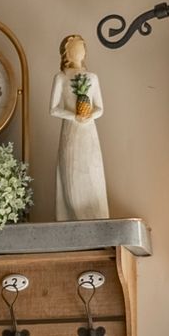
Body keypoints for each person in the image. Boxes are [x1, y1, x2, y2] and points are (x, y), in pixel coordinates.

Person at [50, 32, 109, 220]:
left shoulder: (92, 77)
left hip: (89, 133)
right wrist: (74, 117)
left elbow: (100, 107)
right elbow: (53, 109)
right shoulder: (61, 78)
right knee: (72, 177)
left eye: (81, 47)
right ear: (66, 53)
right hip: (71, 133)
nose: (78, 51)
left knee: (92, 173)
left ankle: (97, 217)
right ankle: (74, 217)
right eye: (74, 48)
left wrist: (90, 115)